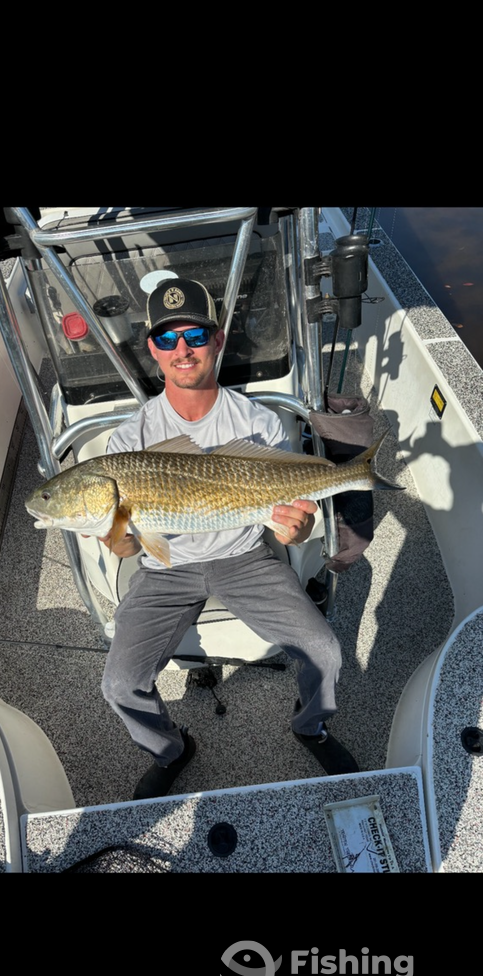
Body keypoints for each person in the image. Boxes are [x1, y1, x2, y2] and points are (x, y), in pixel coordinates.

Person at [100, 277, 359, 799]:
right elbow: (130, 545)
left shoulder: (259, 423)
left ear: (217, 340)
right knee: (119, 683)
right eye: (168, 338)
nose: (182, 349)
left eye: (195, 335)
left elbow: (295, 521)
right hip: (165, 568)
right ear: (153, 349)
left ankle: (309, 724)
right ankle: (171, 749)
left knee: (325, 651)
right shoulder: (129, 441)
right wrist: (120, 539)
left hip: (245, 556)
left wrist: (300, 528)